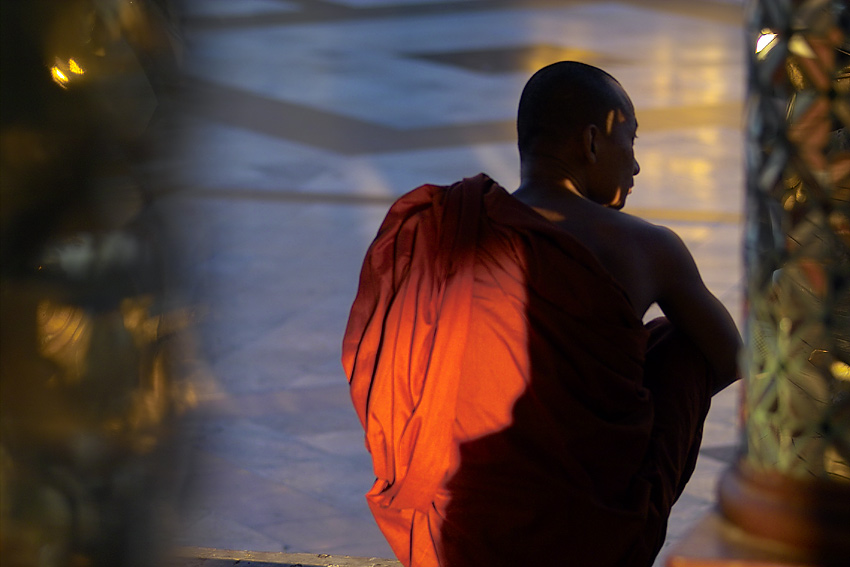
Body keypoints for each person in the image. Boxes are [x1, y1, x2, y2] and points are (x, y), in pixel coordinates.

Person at [342, 61, 741, 567]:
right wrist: (614, 400)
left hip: (453, 525)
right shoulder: (647, 247)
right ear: (592, 142)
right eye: (632, 142)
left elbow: (383, 368)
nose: (636, 166)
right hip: (585, 529)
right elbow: (728, 357)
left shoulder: (448, 228)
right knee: (680, 345)